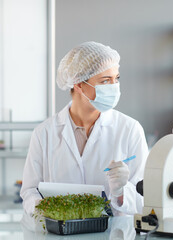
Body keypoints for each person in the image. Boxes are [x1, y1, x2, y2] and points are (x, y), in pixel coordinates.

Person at [20, 41, 148, 216]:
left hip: (113, 233)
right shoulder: (45, 133)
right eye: (105, 81)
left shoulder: (129, 129)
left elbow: (145, 199)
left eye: (116, 79)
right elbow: (29, 191)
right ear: (79, 84)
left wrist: (121, 193)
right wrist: (48, 212)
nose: (114, 87)